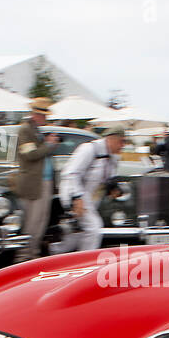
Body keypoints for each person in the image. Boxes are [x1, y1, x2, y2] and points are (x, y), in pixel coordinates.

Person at [53, 127, 125, 254]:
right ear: (111, 139)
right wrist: (77, 198)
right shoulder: (89, 149)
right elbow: (70, 173)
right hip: (73, 193)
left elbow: (108, 177)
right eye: (121, 141)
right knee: (93, 228)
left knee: (80, 232)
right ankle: (85, 261)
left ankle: (53, 252)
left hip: (89, 197)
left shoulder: (112, 157)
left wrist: (113, 188)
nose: (123, 146)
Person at [15, 97, 59, 261]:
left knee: (41, 221)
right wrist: (48, 145)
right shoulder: (25, 130)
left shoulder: (35, 130)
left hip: (43, 181)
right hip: (35, 183)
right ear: (36, 115)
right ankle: (24, 256)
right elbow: (30, 154)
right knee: (33, 222)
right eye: (44, 115)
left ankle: (32, 254)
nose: (45, 119)